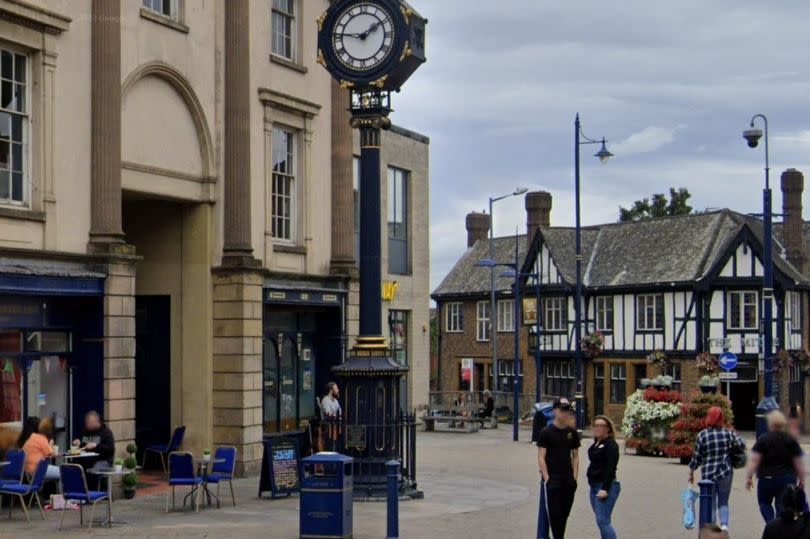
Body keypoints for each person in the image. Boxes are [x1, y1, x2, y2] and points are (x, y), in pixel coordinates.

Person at [688, 406, 744, 533]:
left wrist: (691, 472)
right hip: (725, 472)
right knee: (723, 502)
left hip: (708, 475)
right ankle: (724, 525)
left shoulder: (702, 435)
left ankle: (712, 530)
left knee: (711, 503)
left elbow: (696, 457)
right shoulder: (728, 433)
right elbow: (742, 445)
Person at [747, 410, 805, 523]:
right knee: (782, 505)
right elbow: (798, 462)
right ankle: (779, 526)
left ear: (770, 423)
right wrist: (801, 479)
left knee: (764, 503)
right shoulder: (790, 440)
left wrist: (749, 477)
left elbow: (755, 461)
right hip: (787, 478)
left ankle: (771, 524)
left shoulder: (763, 439)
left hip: (767, 479)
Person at [537, 397, 580, 539]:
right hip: (553, 479)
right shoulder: (546, 432)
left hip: (568, 480)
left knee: (564, 515)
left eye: (568, 410)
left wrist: (574, 477)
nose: (566, 413)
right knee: (555, 517)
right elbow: (541, 457)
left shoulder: (571, 433)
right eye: (563, 410)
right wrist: (547, 477)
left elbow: (575, 455)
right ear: (555, 411)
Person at [587, 415, 620, 539]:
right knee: (603, 520)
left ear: (608, 429)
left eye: (602, 426)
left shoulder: (611, 445)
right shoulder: (597, 443)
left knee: (602, 521)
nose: (598, 428)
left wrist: (605, 489)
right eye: (596, 425)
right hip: (594, 486)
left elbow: (610, 469)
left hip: (605, 486)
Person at [17, 416, 60, 481]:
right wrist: (50, 444)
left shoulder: (30, 437)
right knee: (63, 472)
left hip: (27, 472)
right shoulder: (41, 438)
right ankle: (64, 491)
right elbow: (51, 454)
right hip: (37, 470)